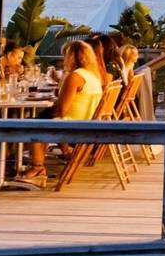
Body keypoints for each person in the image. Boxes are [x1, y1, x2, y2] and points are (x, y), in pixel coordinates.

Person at [21, 40, 104, 183]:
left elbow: (62, 110)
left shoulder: (75, 77)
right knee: (40, 119)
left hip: (71, 126)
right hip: (86, 124)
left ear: (70, 57)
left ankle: (37, 167)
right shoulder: (93, 77)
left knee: (32, 125)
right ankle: (36, 162)